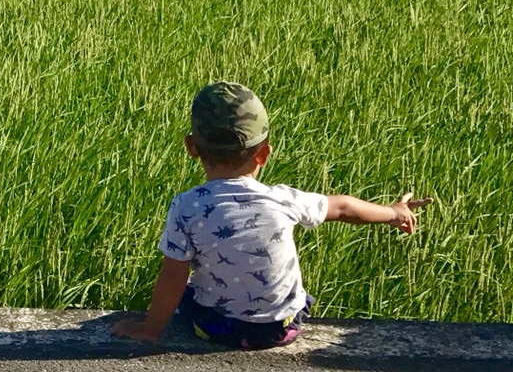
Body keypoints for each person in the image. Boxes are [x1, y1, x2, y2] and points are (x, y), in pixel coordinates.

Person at [111, 81, 431, 349]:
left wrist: (149, 331)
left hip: (217, 331)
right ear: (264, 153)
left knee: (190, 290)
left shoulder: (187, 206)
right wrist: (393, 212)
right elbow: (344, 207)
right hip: (283, 329)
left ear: (191, 147)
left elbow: (173, 276)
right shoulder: (282, 199)